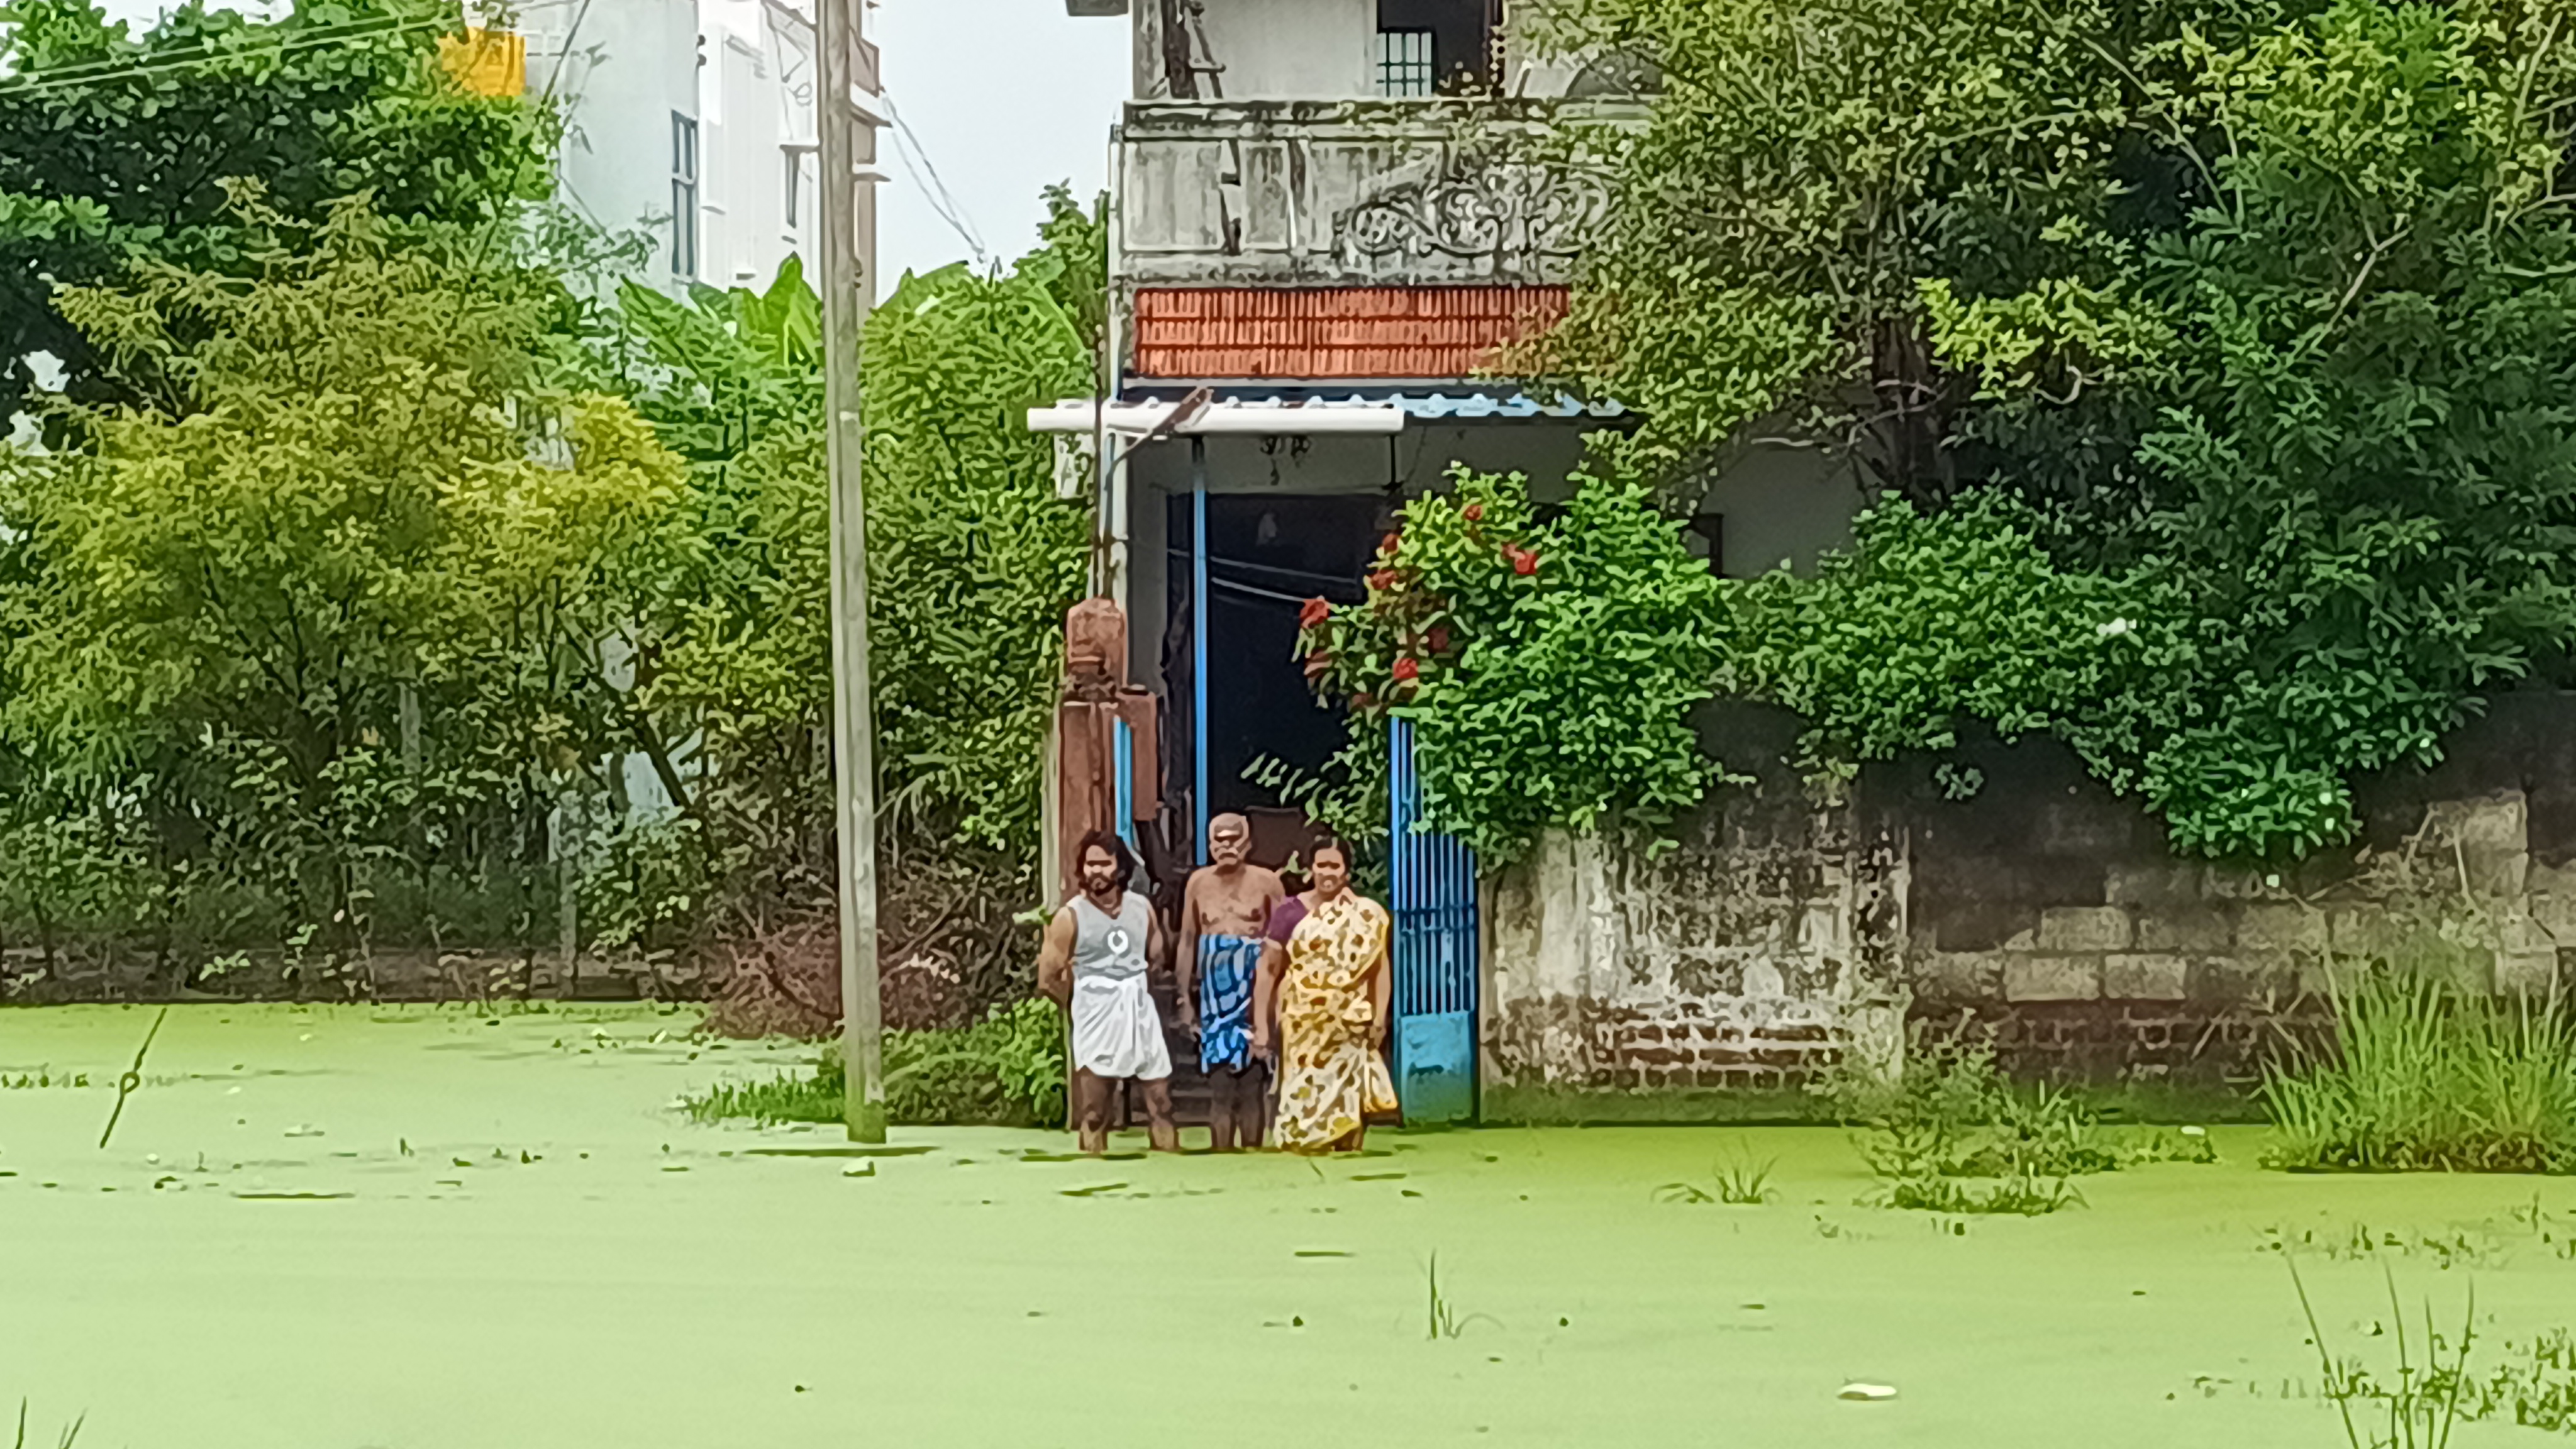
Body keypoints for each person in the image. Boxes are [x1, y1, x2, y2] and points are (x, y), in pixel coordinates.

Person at [1251, 838, 1397, 1154]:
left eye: (1335, 866)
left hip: (1350, 1022)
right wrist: (1261, 1024)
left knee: (1349, 1098)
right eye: (1322, 865)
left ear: (1346, 872)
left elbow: (1379, 969)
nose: (1327, 873)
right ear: (1310, 869)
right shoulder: (1290, 913)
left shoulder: (1365, 916)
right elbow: (1268, 970)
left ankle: (1348, 1156)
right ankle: (1304, 1148)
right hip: (1304, 1024)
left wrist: (1379, 1016)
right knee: (1304, 1094)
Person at [1037, 831, 1179, 1155]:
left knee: (1161, 1101)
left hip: (1137, 1003)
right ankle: (1093, 1164)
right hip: (1094, 1008)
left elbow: (1157, 959)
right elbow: (1047, 976)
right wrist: (1079, 1005)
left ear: (1121, 868)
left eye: (1104, 863)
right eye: (1090, 864)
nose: (1096, 871)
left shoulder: (1141, 908)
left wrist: (1143, 990)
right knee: (1095, 1110)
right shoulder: (1070, 916)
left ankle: (1168, 1164)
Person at [1177, 813, 1285, 1152]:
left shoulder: (1267, 882)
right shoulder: (1197, 883)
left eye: (1233, 839)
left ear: (1247, 843)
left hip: (1255, 991)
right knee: (1220, 1086)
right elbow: (1188, 941)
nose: (1227, 846)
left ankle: (1253, 1151)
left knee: (1253, 1081)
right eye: (1219, 840)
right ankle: (1221, 1153)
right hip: (1214, 997)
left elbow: (1282, 944)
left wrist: (1275, 1004)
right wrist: (1184, 999)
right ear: (1210, 845)